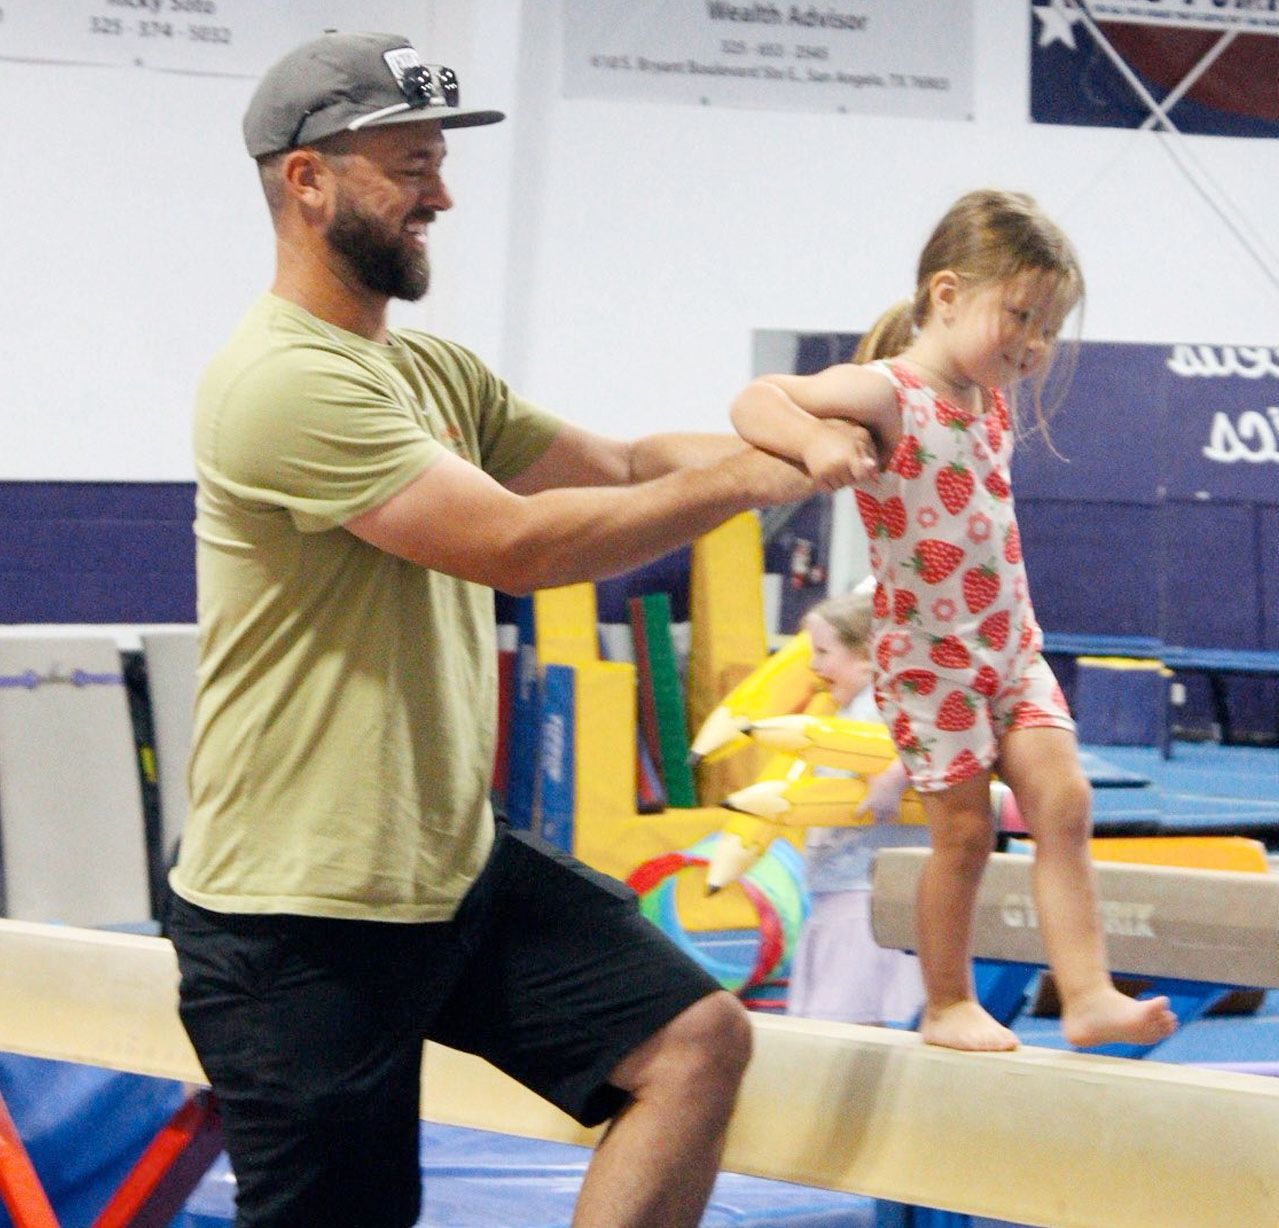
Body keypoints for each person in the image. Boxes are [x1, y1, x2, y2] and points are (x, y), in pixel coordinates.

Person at [165, 31, 865, 1228]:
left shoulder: (429, 370)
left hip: (446, 870)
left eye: (440, 160)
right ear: (307, 179)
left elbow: (629, 462)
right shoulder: (279, 378)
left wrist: (816, 450)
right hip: (299, 916)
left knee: (692, 1044)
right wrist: (755, 483)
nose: (439, 192)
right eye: (408, 164)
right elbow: (517, 546)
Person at [730, 188, 1178, 1053]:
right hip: (933, 664)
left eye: (1050, 326)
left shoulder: (990, 399)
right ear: (945, 294)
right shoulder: (890, 391)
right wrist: (816, 441)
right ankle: (945, 1003)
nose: (1036, 343)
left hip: (1012, 650)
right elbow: (756, 400)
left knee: (1066, 802)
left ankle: (1086, 994)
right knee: (965, 834)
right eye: (1021, 315)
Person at [786, 589, 927, 1026]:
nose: (814, 666)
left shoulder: (877, 711)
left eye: (824, 653)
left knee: (844, 1021)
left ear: (867, 656)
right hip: (847, 886)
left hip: (864, 891)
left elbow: (938, 741)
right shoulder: (853, 714)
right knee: (848, 1019)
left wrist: (893, 777)